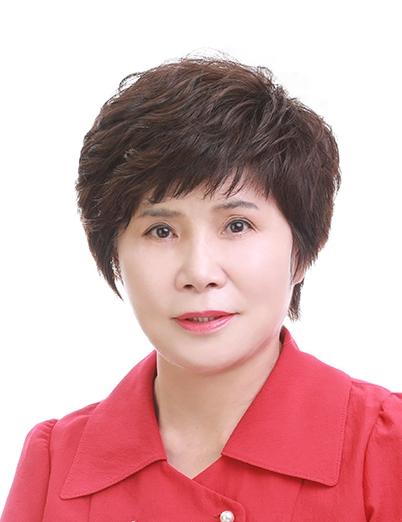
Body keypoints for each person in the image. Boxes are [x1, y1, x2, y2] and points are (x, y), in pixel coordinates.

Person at [2, 53, 401, 522]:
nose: (199, 271)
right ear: (114, 254)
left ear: (303, 251)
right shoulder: (56, 462)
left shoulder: (386, 447)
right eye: (161, 231)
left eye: (237, 225)